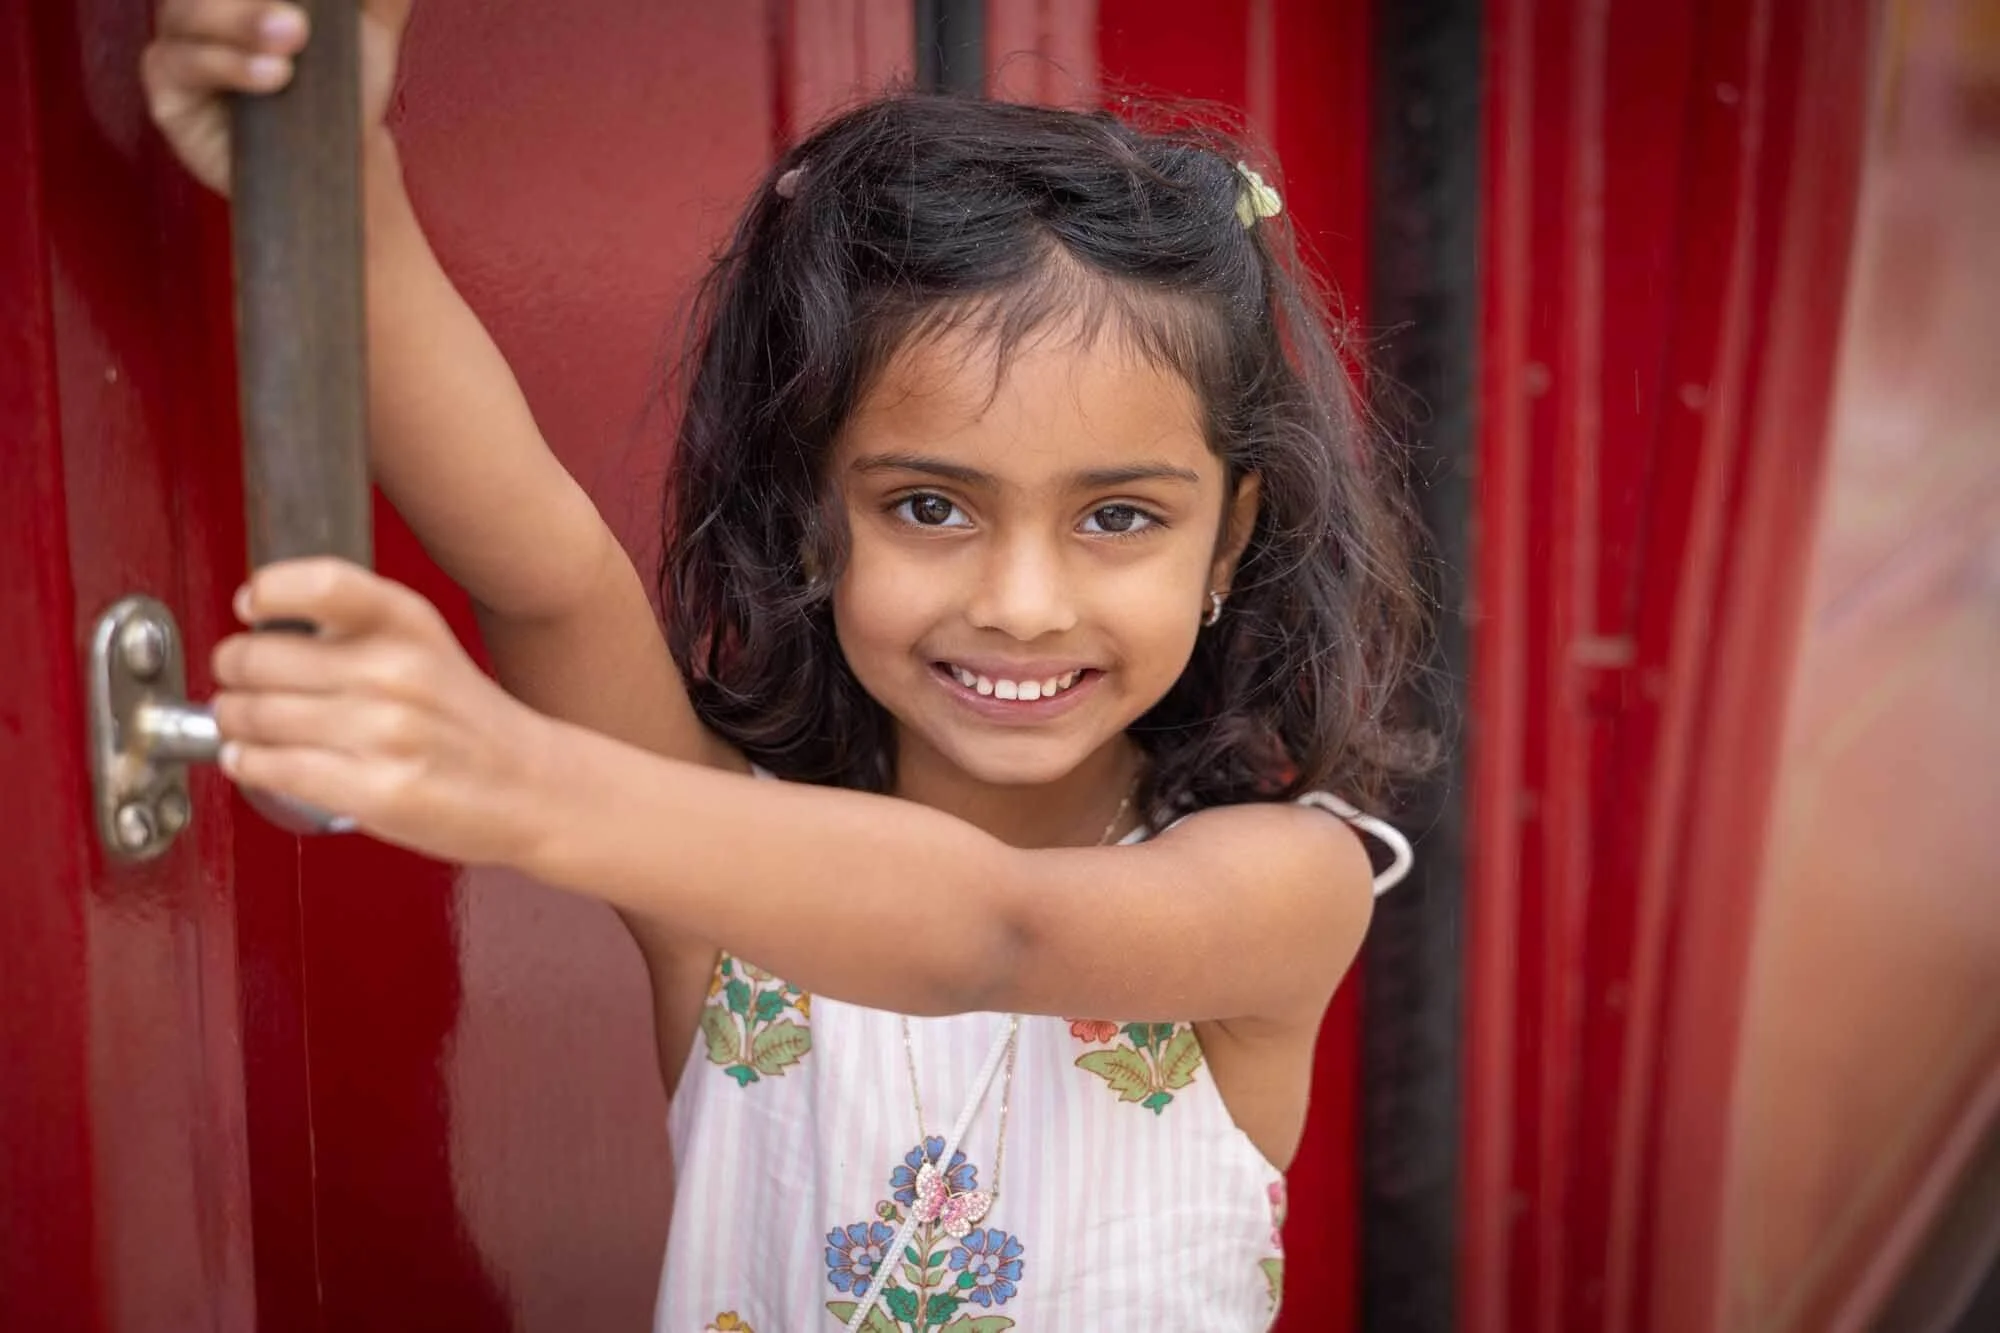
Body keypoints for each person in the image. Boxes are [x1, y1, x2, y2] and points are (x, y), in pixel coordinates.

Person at [143, 2, 1432, 1327]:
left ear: (1230, 540)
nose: (1024, 603)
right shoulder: (724, 872)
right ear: (814, 516)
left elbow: (993, 932)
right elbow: (536, 559)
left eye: (1119, 517)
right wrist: (319, 161)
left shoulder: (1285, 884)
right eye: (930, 505)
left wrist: (516, 780)